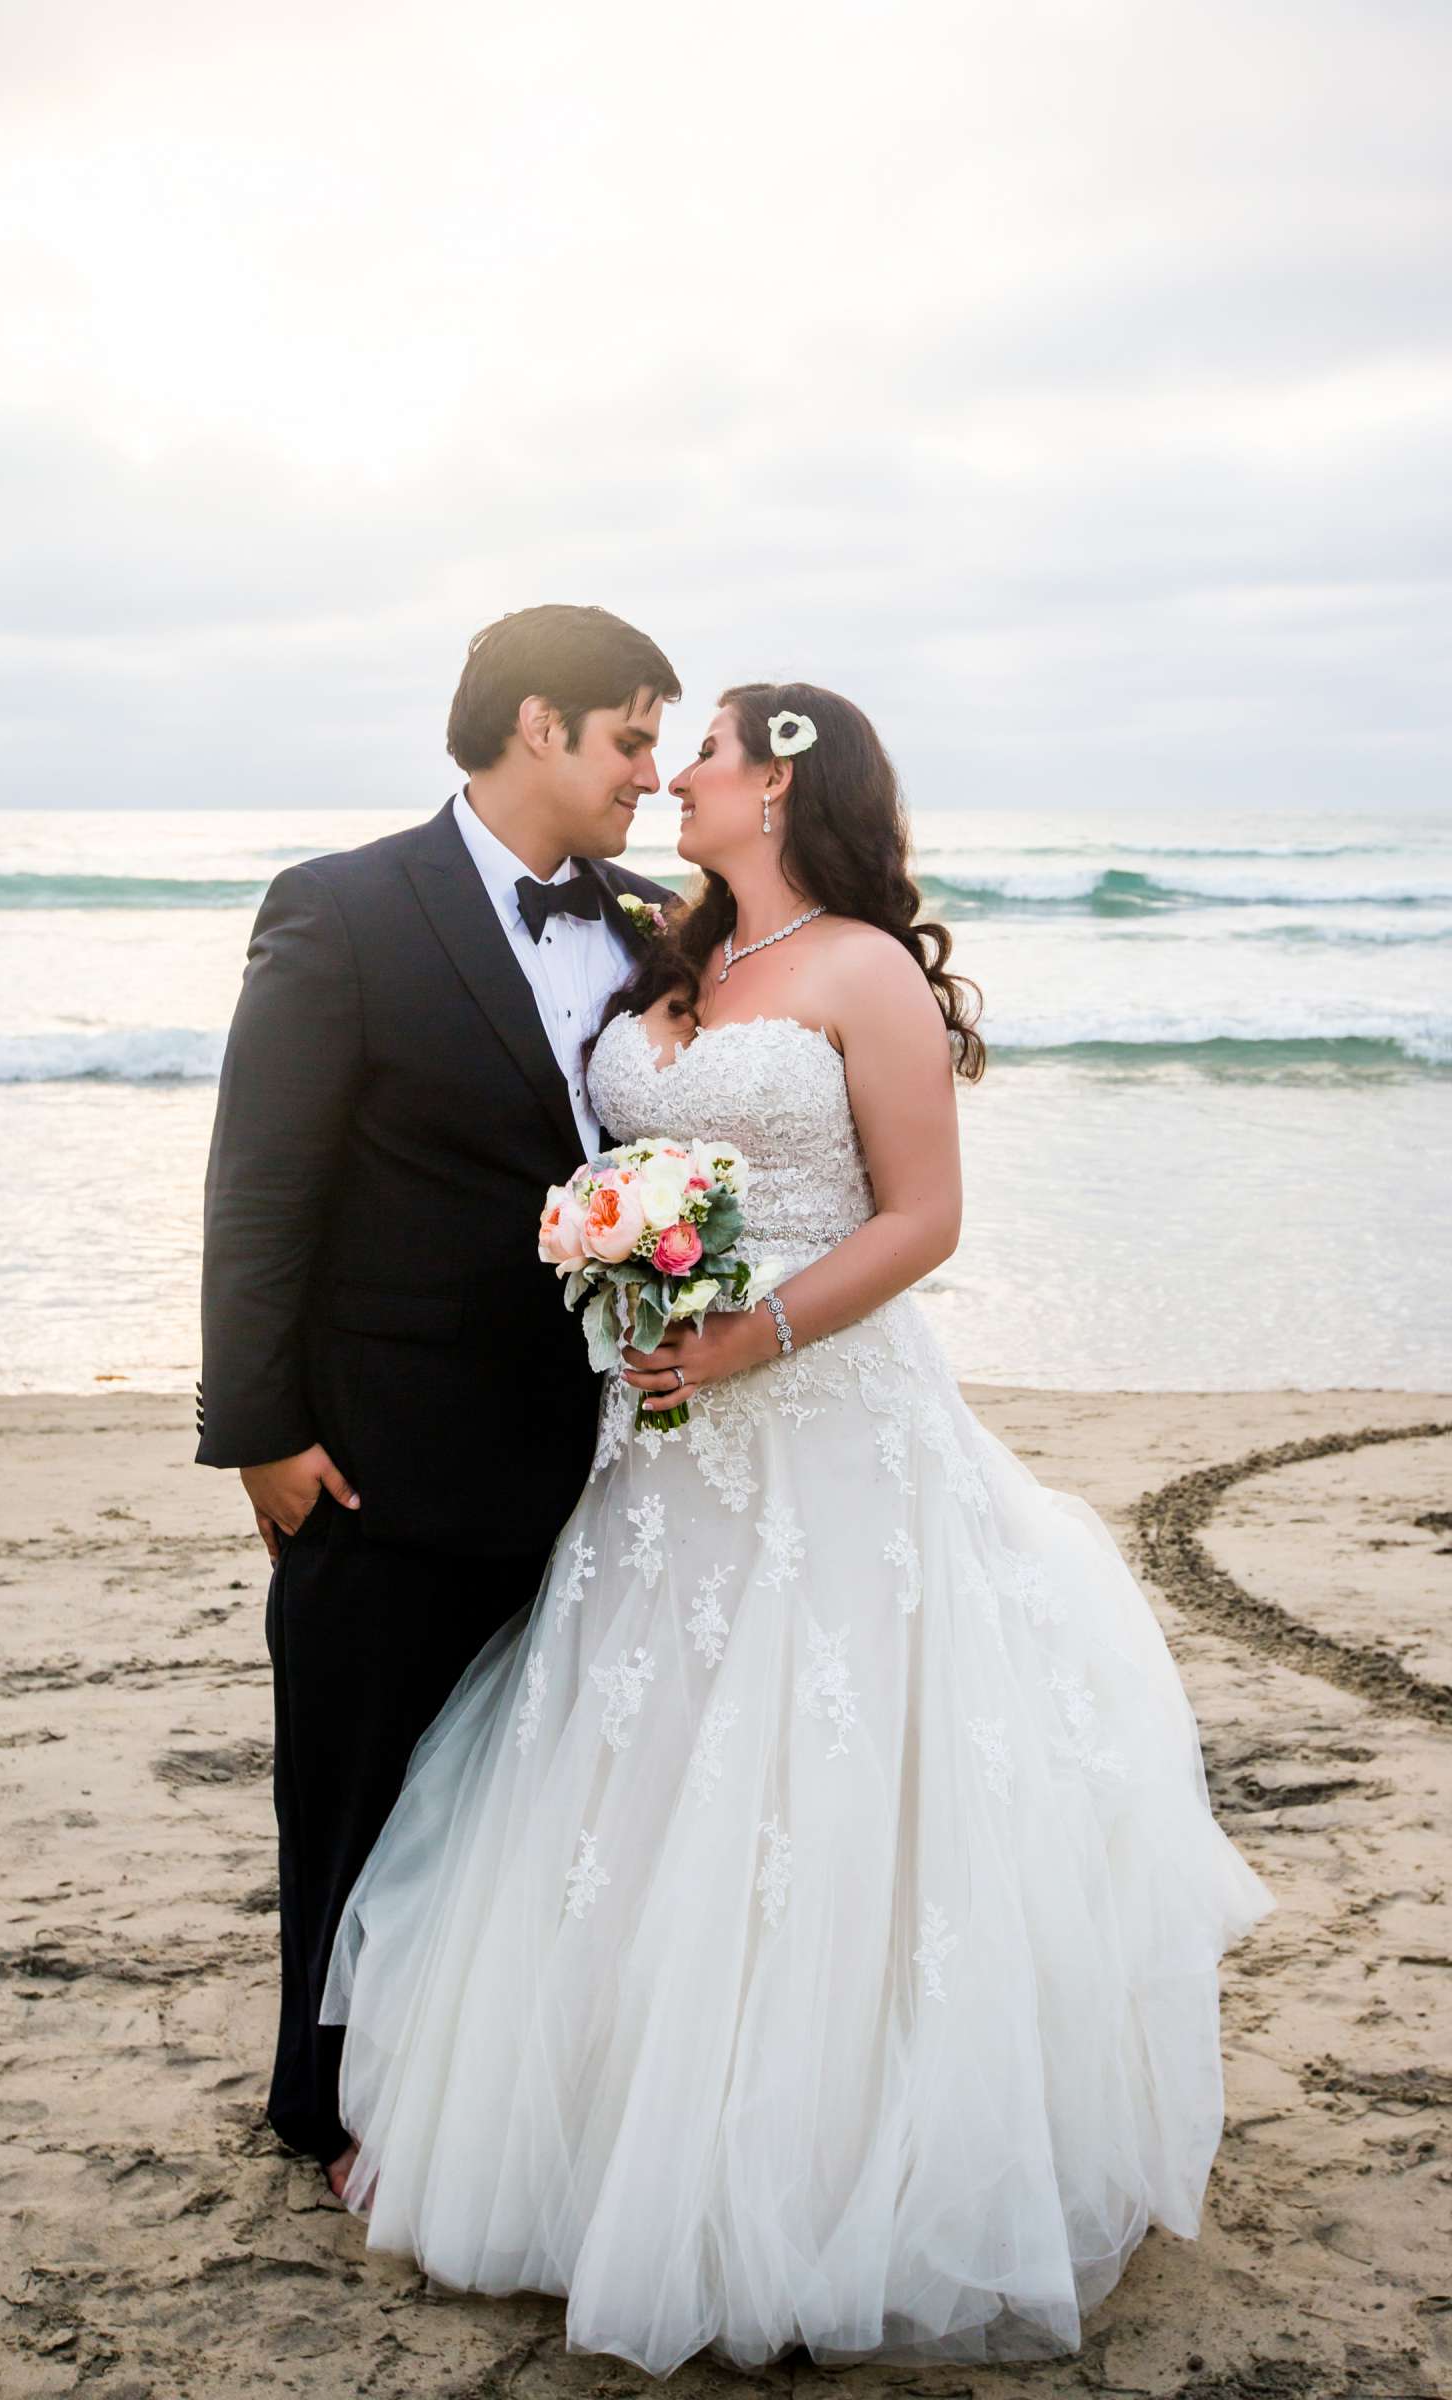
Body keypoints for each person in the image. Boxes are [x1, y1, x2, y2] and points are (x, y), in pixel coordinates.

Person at [319, 681, 1278, 2371]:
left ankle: (827, 2167)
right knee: (641, 1759)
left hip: (825, 1424)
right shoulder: (663, 956)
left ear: (780, 781)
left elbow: (926, 1218)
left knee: (831, 1775)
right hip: (658, 1439)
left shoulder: (864, 969)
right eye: (657, 746)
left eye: (702, 750)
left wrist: (754, 1334)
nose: (673, 771)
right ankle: (612, 2144)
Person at [194, 602, 682, 2193]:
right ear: (538, 724)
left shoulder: (657, 921)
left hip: (599, 1452)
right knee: (354, 1787)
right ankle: (320, 2105)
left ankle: (488, 2096)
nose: (648, 776)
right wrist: (258, 1428)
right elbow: (260, 1187)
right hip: (382, 1457)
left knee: (534, 1795)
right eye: (629, 738)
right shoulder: (341, 910)